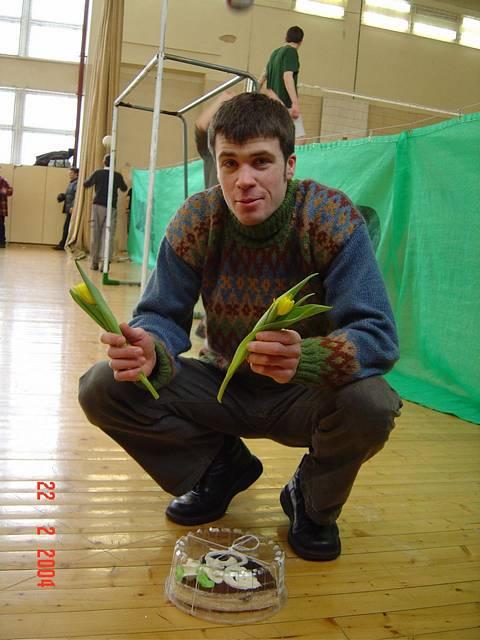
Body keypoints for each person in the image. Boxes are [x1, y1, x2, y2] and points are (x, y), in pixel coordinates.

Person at [78, 93, 401, 562]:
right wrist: (151, 347)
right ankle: (219, 467)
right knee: (102, 385)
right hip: (221, 384)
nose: (244, 180)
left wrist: (309, 357)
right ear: (217, 165)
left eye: (261, 162)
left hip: (302, 392)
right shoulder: (197, 219)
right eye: (230, 163)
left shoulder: (330, 217)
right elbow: (160, 314)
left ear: (289, 165)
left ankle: (312, 501)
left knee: (372, 402)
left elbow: (377, 333)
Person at [258, 26, 306, 144]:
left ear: (286, 37)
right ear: (301, 41)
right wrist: (295, 103)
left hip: (271, 105)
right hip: (285, 105)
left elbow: (262, 78)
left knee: (275, 138)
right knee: (300, 139)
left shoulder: (275, 53)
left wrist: (253, 95)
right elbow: (287, 76)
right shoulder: (291, 52)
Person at [83, 154, 128, 270]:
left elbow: (86, 184)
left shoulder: (98, 173)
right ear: (114, 163)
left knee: (96, 234)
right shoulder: (117, 175)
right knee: (108, 235)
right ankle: (105, 264)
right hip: (111, 207)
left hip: (98, 206)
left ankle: (94, 263)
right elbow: (124, 188)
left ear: (104, 162)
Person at [53, 167, 79, 250]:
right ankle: (63, 244)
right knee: (66, 227)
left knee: (67, 227)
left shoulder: (76, 183)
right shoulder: (72, 183)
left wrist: (73, 206)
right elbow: (70, 195)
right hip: (69, 208)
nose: (69, 174)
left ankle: (63, 244)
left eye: (71, 173)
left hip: (72, 209)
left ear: (76, 174)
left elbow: (76, 196)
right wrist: (63, 196)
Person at [0, 170, 13, 248]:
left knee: (0, 225)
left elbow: (10, 191)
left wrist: (3, 191)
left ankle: (2, 242)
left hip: (0, 209)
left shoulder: (2, 180)